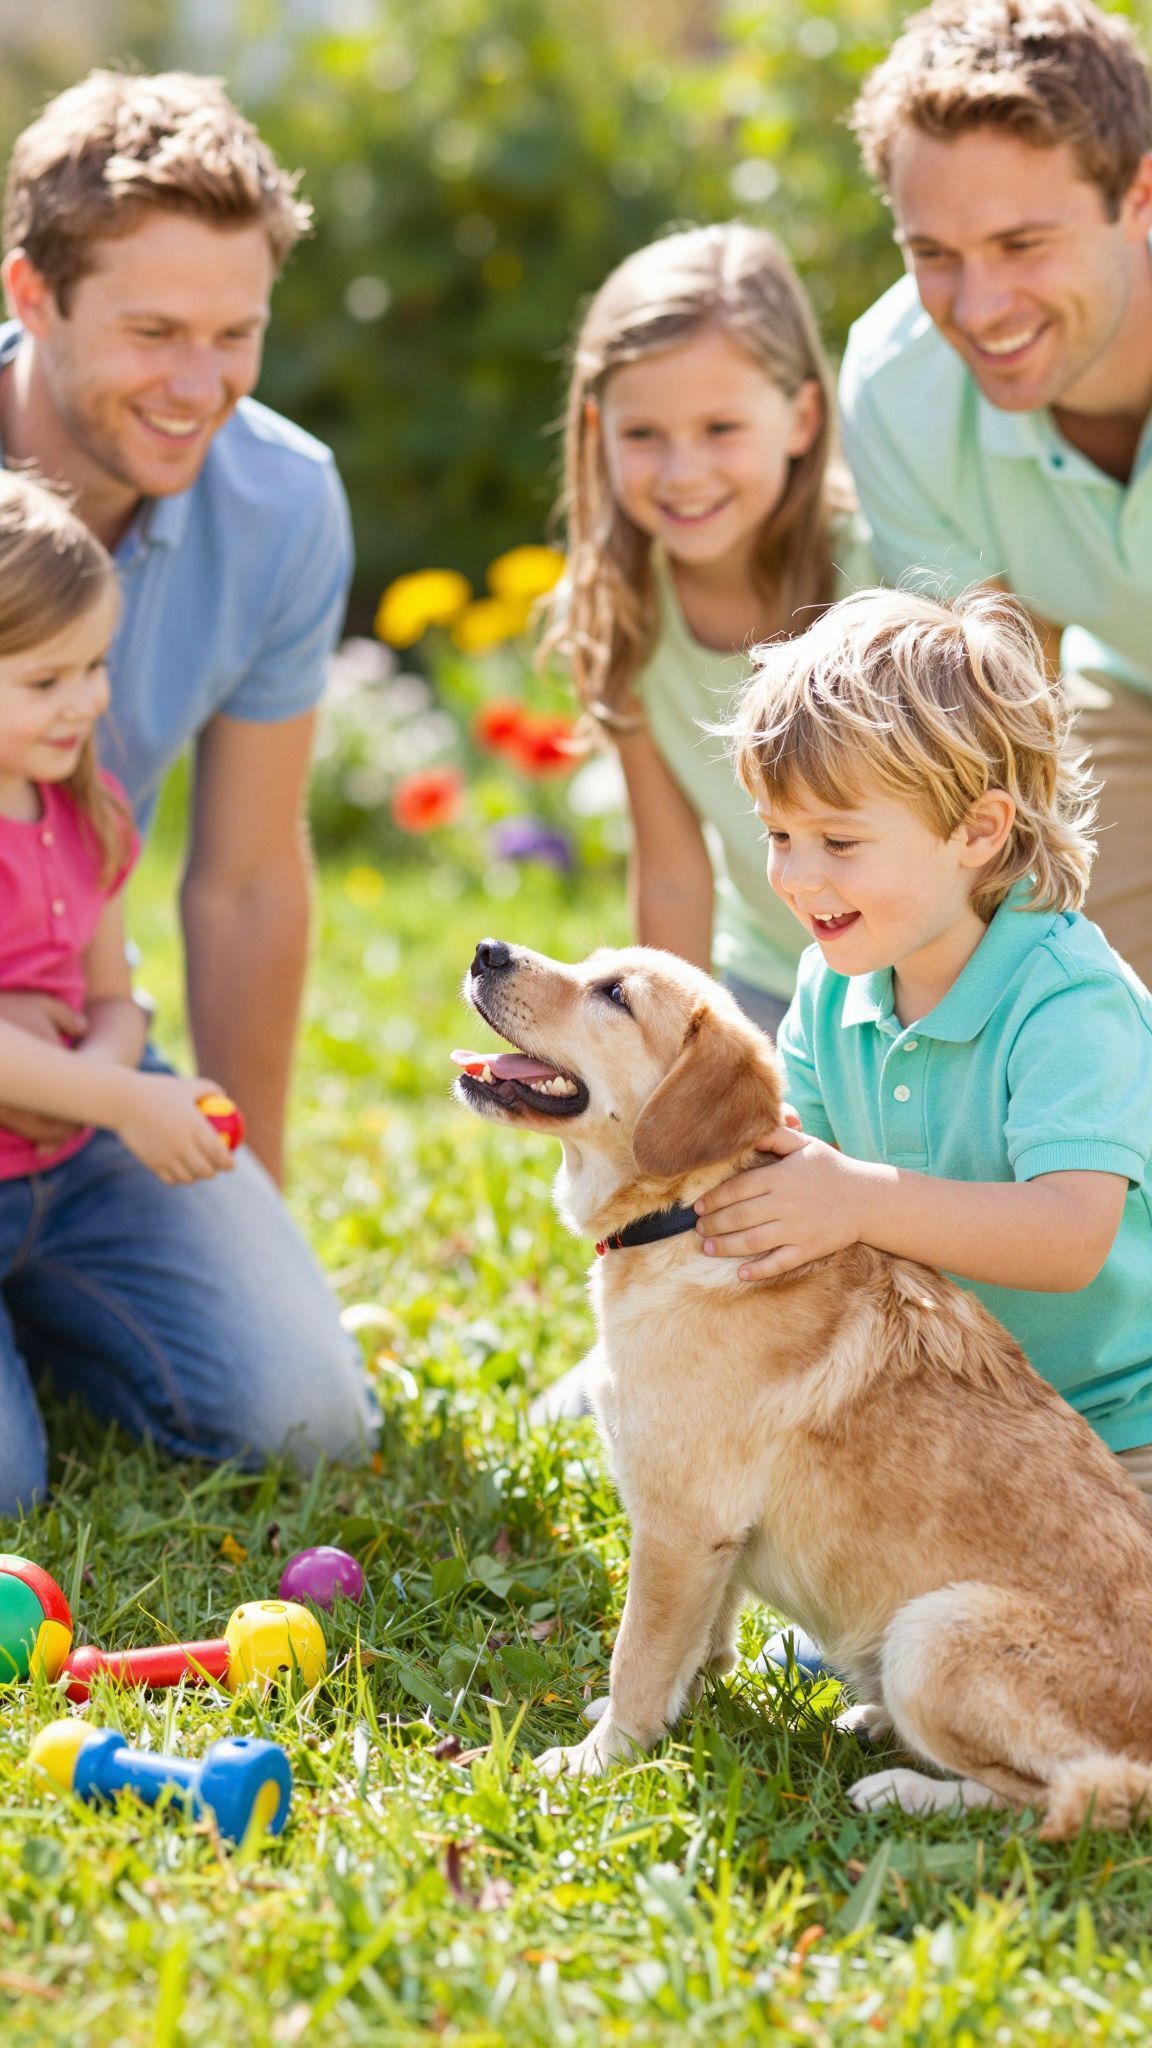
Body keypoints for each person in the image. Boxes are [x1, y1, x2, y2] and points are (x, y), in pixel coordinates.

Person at [0, 71, 376, 1503]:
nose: (198, 385)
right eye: (153, 332)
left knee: (303, 1419)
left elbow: (246, 878)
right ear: (33, 296)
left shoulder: (280, 501)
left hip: (75, 1051)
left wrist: (240, 1194)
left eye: (236, 335)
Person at [695, 586, 1152, 1671]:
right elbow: (799, 1195)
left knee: (1105, 1654)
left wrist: (854, 1197)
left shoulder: (1067, 1000)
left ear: (977, 832)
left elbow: (1070, 1236)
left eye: (840, 840)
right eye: (779, 834)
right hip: (952, 1439)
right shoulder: (830, 989)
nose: (797, 875)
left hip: (1120, 1431)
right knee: (889, 1647)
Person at [839, 0, 1152, 982]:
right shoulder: (898, 385)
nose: (977, 309)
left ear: (1138, 197)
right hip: (1128, 687)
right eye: (933, 253)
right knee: (1057, 977)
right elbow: (999, 711)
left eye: (1023, 244)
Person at [546, 222, 875, 1041]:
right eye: (643, 435)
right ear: (597, 429)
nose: (683, 472)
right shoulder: (623, 610)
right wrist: (666, 1059)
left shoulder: (884, 571)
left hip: (950, 982)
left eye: (720, 430)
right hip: (776, 990)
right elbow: (673, 873)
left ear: (801, 418)